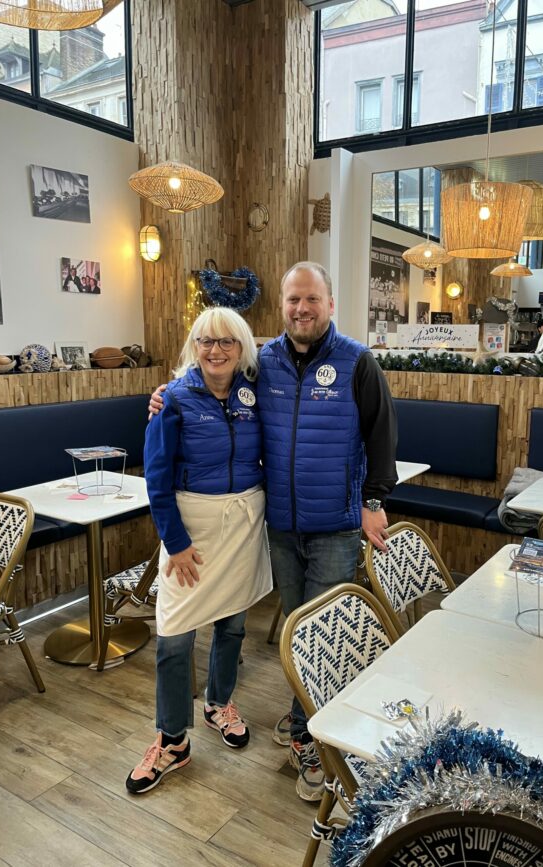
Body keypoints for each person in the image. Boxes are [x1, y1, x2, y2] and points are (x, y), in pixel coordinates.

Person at [149, 262, 398, 802]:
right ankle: (300, 717)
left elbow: (382, 435)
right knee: (292, 630)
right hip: (279, 525)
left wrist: (374, 500)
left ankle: (309, 736)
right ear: (282, 305)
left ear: (330, 303)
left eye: (312, 299)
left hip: (335, 525)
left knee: (322, 633)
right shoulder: (263, 364)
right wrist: (166, 395)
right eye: (293, 300)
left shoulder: (357, 361)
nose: (302, 309)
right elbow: (210, 389)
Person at [126, 307, 272, 795]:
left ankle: (218, 703)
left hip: (242, 525)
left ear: (242, 347)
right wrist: (177, 543)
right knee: (173, 636)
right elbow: (156, 478)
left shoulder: (255, 392)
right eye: (206, 341)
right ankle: (172, 739)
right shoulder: (172, 398)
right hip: (191, 531)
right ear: (194, 346)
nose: (216, 350)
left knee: (233, 624)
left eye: (226, 341)